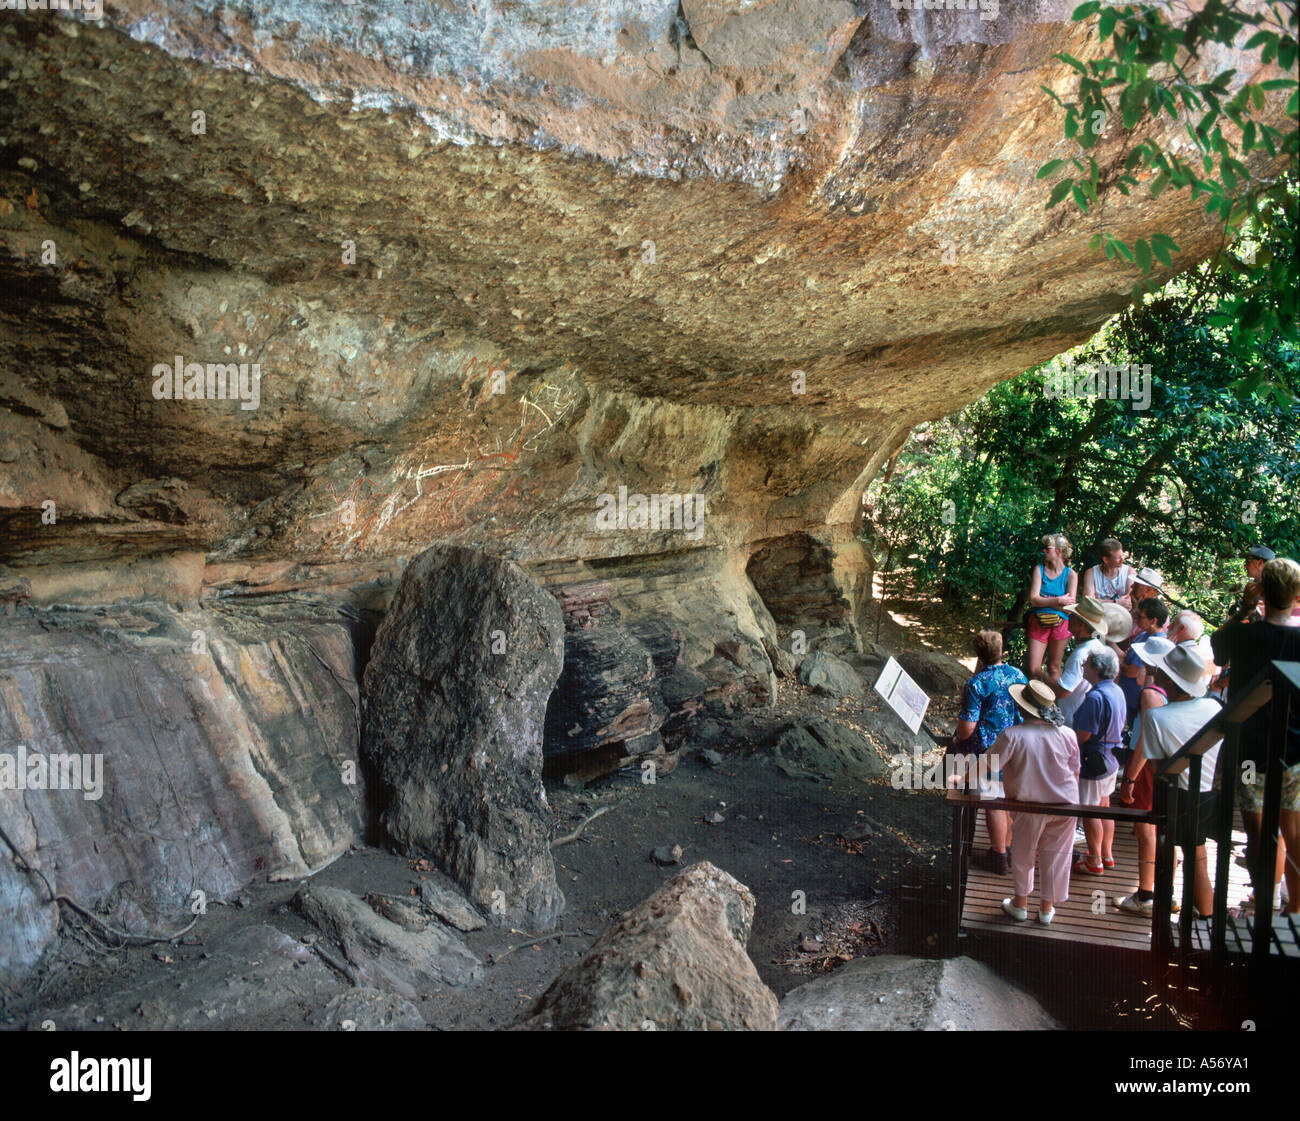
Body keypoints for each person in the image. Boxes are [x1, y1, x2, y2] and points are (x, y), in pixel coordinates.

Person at [1211, 557, 1300, 916]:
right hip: (1294, 750)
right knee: (1293, 833)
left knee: (1260, 835)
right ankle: (1295, 910)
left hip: (1249, 752)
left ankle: (1264, 908)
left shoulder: (1244, 634)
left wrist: (1246, 607)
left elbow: (1218, 649)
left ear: (1261, 591)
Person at [1117, 644, 1222, 918]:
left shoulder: (1158, 717)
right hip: (1208, 791)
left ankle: (1159, 907)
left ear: (1168, 679)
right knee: (1198, 855)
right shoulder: (1213, 706)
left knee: (1166, 850)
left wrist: (1129, 780)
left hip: (1176, 795)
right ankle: (1206, 918)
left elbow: (1156, 763)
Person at [987, 680, 1081, 926]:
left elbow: (987, 764)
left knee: (1023, 853)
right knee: (1057, 855)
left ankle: (1020, 904)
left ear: (1023, 707)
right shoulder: (1068, 734)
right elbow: (1075, 771)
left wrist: (958, 776)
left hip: (1028, 805)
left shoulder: (1013, 735)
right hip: (1066, 805)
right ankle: (1046, 909)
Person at [953, 629, 1027, 875]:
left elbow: (967, 727)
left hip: (988, 750)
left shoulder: (977, 683)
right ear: (1001, 650)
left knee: (993, 802)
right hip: (1015, 746)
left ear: (979, 655)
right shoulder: (1018, 674)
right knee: (1006, 799)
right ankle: (1005, 847)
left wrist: (959, 737)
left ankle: (998, 855)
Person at [1114, 636, 1175, 912]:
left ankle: (1147, 894)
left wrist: (1129, 779)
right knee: (1162, 830)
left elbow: (1146, 742)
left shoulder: (1152, 694)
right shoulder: (1166, 689)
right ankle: (1164, 892)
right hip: (1162, 765)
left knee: (1145, 830)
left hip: (1147, 768)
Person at [1071, 646, 1127, 875]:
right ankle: (1106, 854)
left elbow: (1085, 733)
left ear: (1096, 669)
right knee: (1104, 806)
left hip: (1093, 760)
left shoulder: (1095, 697)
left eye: (1086, 664)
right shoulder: (1116, 691)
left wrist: (1066, 742)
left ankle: (1094, 860)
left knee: (1090, 810)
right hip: (1111, 760)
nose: (1083, 667)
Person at [1050, 598, 1131, 721]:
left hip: (1071, 720)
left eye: (1073, 616)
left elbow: (1063, 691)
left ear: (1081, 625)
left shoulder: (1080, 654)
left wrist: (1042, 675)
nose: (1069, 619)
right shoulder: (1097, 645)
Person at [1026, 534, 1077, 682]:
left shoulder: (1071, 575)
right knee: (1034, 669)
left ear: (1059, 552)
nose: (1044, 551)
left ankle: (1052, 701)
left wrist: (1046, 601)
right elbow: (1033, 600)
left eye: (1047, 548)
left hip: (1061, 623)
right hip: (1038, 621)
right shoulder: (1039, 570)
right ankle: (1031, 701)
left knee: (1054, 668)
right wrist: (1058, 600)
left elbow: (1069, 608)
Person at [1119, 598, 1169, 725]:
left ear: (1153, 620)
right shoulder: (1143, 635)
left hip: (1135, 699)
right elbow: (1127, 657)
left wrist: (1118, 663)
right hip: (1127, 695)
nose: (1136, 619)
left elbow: (1131, 672)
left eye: (1141, 617)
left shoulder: (1155, 643)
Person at [1225, 545, 1275, 625]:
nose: (1245, 566)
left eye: (1248, 561)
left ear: (1260, 563)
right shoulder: (1255, 584)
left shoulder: (1275, 588)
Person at [1082, 538, 1135, 609]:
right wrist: (1115, 602)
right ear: (1106, 559)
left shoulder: (1129, 572)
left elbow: (1129, 600)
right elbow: (1087, 602)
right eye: (1118, 558)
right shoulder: (1091, 573)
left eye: (1122, 556)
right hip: (1097, 615)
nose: (1122, 559)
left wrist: (1099, 602)